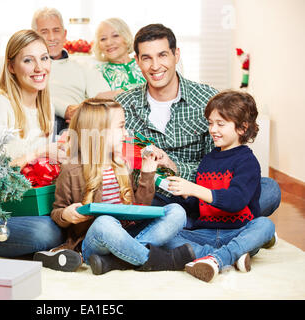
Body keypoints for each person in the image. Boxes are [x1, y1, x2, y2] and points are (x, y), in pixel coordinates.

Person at [115, 23, 281, 218]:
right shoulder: (123, 105)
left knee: (269, 189)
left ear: (176, 55)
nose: (155, 66)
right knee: (151, 210)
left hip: (204, 195)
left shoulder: (207, 99)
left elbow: (224, 163)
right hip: (152, 199)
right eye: (146, 58)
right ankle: (213, 230)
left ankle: (184, 231)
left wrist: (174, 166)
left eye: (162, 55)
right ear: (137, 61)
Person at [33, 98, 195, 274]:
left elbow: (139, 209)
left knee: (177, 211)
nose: (126, 133)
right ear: (99, 132)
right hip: (95, 239)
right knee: (105, 222)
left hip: (127, 234)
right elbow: (57, 211)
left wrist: (147, 175)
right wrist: (66, 214)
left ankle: (115, 261)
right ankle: (159, 261)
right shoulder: (72, 170)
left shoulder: (121, 164)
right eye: (121, 127)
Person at [0, 29, 66, 258]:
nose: (40, 68)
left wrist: (61, 154)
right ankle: (51, 250)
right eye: (28, 60)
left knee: (72, 216)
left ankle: (49, 254)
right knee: (46, 231)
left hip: (25, 207)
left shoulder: (46, 105)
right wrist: (41, 152)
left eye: (44, 58)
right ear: (11, 66)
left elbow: (38, 175)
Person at [163, 90, 276, 282]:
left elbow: (236, 201)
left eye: (220, 124)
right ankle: (229, 256)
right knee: (165, 236)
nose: (213, 129)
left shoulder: (247, 162)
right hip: (205, 233)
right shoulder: (208, 160)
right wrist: (183, 195)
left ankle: (217, 258)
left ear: (242, 128)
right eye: (210, 123)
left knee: (265, 225)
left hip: (238, 230)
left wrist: (194, 189)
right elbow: (199, 205)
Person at [31, 7, 110, 133]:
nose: (51, 37)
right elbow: (26, 95)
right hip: (41, 119)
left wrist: (82, 112)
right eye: (44, 32)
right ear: (34, 36)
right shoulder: (28, 65)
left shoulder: (83, 66)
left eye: (56, 30)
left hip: (76, 123)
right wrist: (65, 109)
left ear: (64, 34)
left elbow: (104, 99)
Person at [93, 18, 146, 99]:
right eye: (103, 39)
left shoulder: (145, 62)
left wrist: (118, 92)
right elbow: (98, 100)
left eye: (115, 36)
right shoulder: (98, 72)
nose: (109, 43)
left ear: (126, 36)